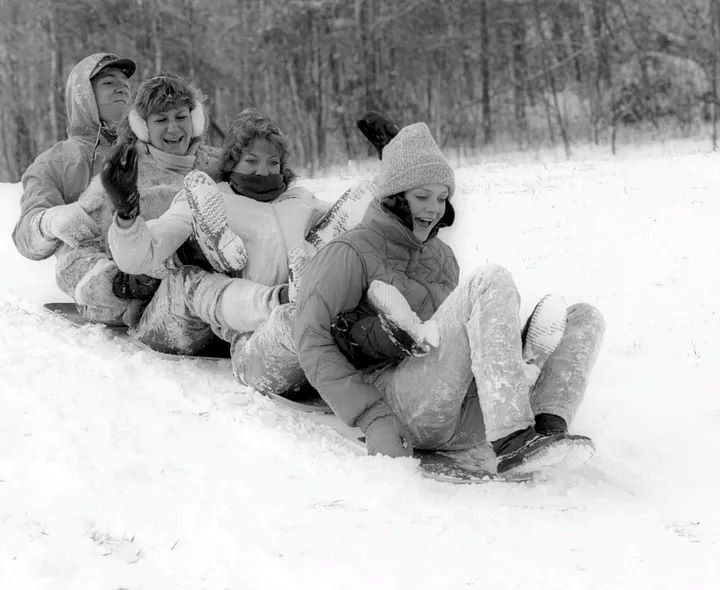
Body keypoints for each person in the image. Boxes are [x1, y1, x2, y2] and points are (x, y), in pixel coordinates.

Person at [291, 122, 606, 477]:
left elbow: (454, 344)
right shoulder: (347, 252)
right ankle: (514, 437)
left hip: (462, 411)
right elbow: (312, 341)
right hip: (400, 405)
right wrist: (372, 417)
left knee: (584, 317)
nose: (434, 209)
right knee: (490, 281)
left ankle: (546, 428)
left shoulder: (441, 257)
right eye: (421, 196)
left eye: (442, 198)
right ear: (394, 197)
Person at [104, 108, 331, 356]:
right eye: (251, 161)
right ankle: (205, 250)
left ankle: (290, 296)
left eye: (273, 162)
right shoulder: (208, 198)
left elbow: (356, 223)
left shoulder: (300, 201)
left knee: (337, 247)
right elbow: (141, 255)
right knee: (191, 278)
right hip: (188, 321)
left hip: (258, 327)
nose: (263, 172)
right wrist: (126, 212)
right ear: (233, 161)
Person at [53, 73, 223, 326]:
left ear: (195, 119)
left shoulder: (221, 167)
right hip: (155, 305)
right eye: (161, 120)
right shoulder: (124, 175)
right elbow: (70, 261)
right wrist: (123, 286)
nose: (174, 128)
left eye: (181, 117)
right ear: (143, 126)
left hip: (220, 295)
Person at [12, 52, 136, 261]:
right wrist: (51, 222)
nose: (122, 87)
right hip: (93, 274)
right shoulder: (53, 163)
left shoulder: (151, 148)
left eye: (125, 83)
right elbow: (25, 238)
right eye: (108, 82)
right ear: (83, 96)